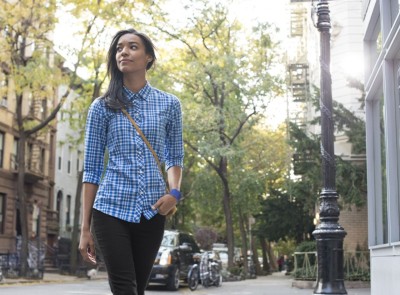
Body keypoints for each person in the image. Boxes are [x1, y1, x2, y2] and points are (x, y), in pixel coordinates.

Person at [78, 28, 184, 295]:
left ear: (148, 57)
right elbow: (91, 170)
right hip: (110, 209)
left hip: (152, 211)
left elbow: (174, 156)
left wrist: (174, 193)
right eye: (118, 48)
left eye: (132, 46)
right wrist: (84, 229)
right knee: (125, 289)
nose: (123, 52)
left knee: (138, 288)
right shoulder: (102, 107)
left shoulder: (169, 104)